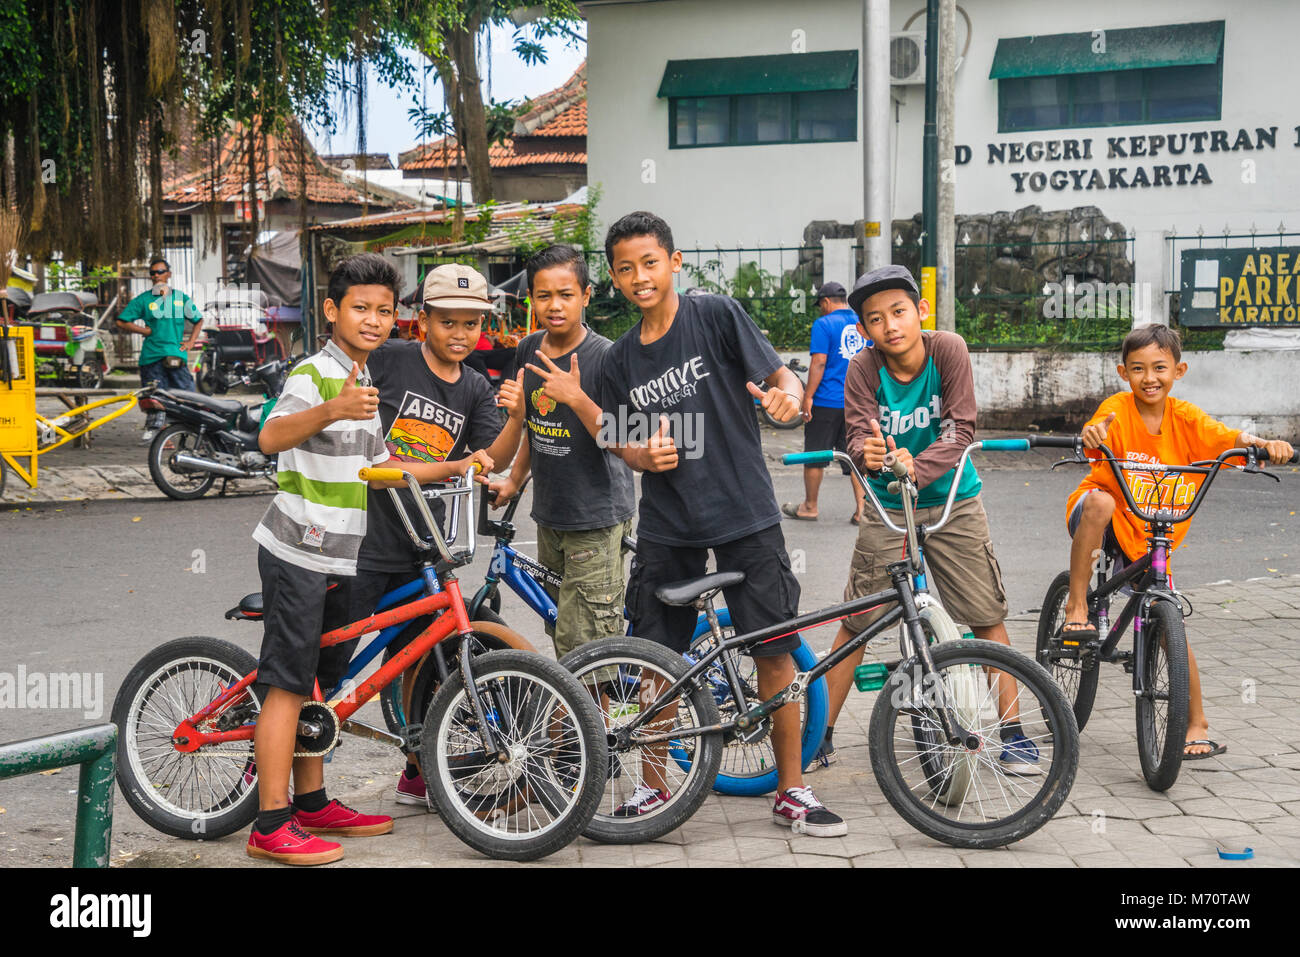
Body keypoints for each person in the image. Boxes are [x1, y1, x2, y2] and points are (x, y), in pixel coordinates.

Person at [596, 210, 846, 836]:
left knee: (774, 649)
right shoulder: (619, 357)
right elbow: (616, 435)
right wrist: (640, 454)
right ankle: (654, 789)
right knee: (656, 657)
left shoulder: (714, 314)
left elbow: (778, 379)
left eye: (650, 263)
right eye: (625, 268)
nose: (639, 277)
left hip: (744, 511)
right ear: (613, 278)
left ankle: (791, 789)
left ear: (674, 262)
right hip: (666, 525)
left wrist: (788, 395)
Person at [812, 265, 1035, 774]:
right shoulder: (863, 369)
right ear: (863, 329)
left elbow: (961, 428)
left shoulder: (948, 350)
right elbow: (854, 439)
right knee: (857, 622)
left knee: (985, 615)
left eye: (898, 311)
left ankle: (1014, 733)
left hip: (954, 499)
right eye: (875, 319)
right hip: (889, 507)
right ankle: (817, 734)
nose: (889, 325)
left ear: (921, 312)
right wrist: (867, 453)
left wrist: (918, 464)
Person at [1060, 324, 1294, 759]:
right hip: (1103, 518)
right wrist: (1094, 434)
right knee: (1099, 503)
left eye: (1160, 368)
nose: (1149, 377)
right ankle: (1077, 604)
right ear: (1123, 373)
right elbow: (1098, 431)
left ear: (1179, 370)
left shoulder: (1187, 419)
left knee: (1172, 624)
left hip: (1151, 532)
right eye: (1138, 369)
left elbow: (1230, 439)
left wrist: (1264, 444)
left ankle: (1196, 724)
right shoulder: (1117, 409)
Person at [246, 253, 402, 865]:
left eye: (384, 311)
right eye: (360, 308)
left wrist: (464, 469)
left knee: (319, 680)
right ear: (333, 311)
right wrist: (333, 408)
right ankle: (271, 822)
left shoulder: (362, 381)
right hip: (297, 551)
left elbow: (381, 468)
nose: (373, 319)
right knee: (287, 684)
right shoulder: (316, 375)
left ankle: (312, 806)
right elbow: (270, 437)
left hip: (339, 556)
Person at [351, 262, 525, 809]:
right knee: (327, 660)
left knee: (419, 662)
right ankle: (278, 762)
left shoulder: (475, 386)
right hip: (363, 540)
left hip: (426, 546)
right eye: (448, 321)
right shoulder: (390, 361)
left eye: (471, 324)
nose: (460, 334)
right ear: (421, 320)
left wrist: (515, 422)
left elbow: (488, 456)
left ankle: (417, 771)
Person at [488, 244, 636, 662]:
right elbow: (536, 426)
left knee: (587, 645)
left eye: (566, 295)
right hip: (551, 516)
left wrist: (576, 398)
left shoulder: (605, 357)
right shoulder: (528, 349)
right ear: (531, 298)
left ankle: (596, 726)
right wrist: (515, 480)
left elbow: (623, 438)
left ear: (586, 296)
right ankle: (586, 721)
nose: (554, 305)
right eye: (544, 295)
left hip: (596, 518)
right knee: (561, 626)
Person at [781, 281, 868, 523]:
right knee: (856, 456)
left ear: (826, 302)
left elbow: (819, 362)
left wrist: (807, 397)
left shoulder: (824, 324)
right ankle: (862, 511)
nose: (820, 309)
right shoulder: (862, 322)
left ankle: (810, 507)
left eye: (820, 305)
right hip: (858, 402)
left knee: (815, 455)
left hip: (827, 401)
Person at [115, 257, 203, 441]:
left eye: (160, 271)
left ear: (169, 274)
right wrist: (144, 330)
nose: (156, 276)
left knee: (187, 399)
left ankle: (193, 435)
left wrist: (190, 342)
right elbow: (121, 321)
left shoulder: (180, 298)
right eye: (153, 273)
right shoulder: (144, 300)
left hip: (176, 356)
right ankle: (162, 438)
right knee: (155, 400)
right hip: (152, 357)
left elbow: (198, 319)